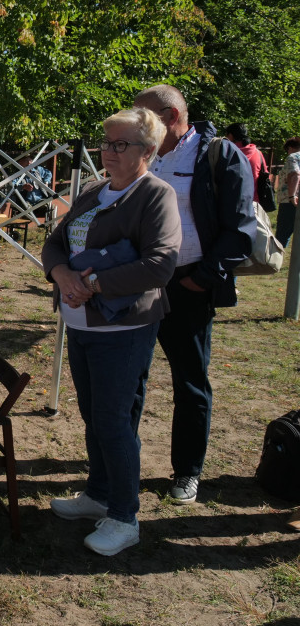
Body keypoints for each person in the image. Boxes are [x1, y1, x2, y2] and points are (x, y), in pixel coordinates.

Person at [43, 107, 181, 555]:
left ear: (148, 149)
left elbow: (160, 264)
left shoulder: (155, 195)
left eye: (120, 144)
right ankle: (99, 493)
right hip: (82, 322)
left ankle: (124, 516)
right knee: (93, 414)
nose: (109, 151)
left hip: (123, 327)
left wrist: (95, 283)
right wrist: (62, 274)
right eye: (106, 142)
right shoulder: (95, 191)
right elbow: (54, 242)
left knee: (114, 421)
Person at [134, 85, 255, 505]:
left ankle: (187, 471)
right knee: (132, 373)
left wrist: (202, 279)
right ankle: (122, 458)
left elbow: (240, 230)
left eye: (142, 115)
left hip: (188, 284)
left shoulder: (217, 155)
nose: (136, 123)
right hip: (142, 282)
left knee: (190, 381)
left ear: (169, 116)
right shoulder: (144, 155)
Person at [225, 123, 266, 203]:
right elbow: (265, 173)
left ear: (230, 135)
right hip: (253, 200)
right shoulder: (258, 153)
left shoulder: (227, 152)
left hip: (230, 201)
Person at [276, 137, 300, 246]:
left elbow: (294, 174)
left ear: (290, 148)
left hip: (289, 202)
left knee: (282, 236)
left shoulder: (293, 157)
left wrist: (292, 196)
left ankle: (276, 260)